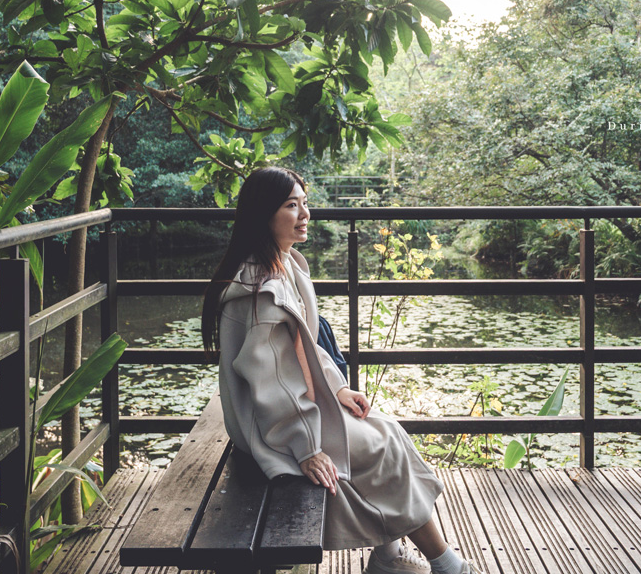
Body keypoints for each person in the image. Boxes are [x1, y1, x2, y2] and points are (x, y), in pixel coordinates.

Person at [202, 167, 480, 574]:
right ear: (263, 215)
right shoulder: (261, 289)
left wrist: (338, 390)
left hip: (289, 413)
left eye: (305, 203)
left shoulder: (284, 266)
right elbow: (271, 381)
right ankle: (444, 564)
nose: (304, 214)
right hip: (273, 428)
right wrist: (307, 448)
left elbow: (305, 350)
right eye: (291, 205)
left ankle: (394, 556)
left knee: (385, 429)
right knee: (380, 444)